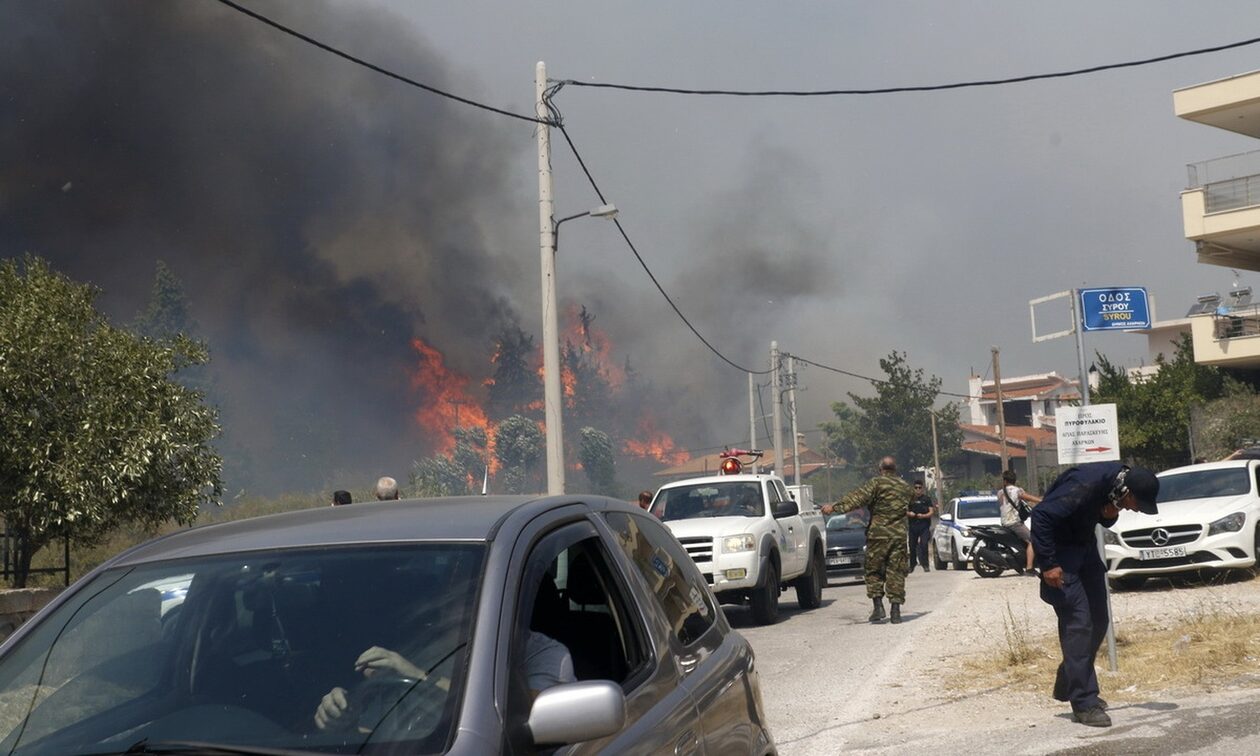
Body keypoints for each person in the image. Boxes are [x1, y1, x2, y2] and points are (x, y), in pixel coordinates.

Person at [1030, 462, 1159, 728]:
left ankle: (1071, 672)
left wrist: (1110, 514)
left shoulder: (1115, 485)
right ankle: (1084, 703)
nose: (1136, 509)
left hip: (1084, 550)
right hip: (1061, 555)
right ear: (1127, 490)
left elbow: (1099, 515)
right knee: (1078, 625)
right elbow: (1041, 516)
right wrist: (1049, 564)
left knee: (1099, 620)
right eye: (1136, 503)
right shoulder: (1084, 485)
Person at [313, 631, 574, 731]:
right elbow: (372, 734)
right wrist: (341, 717)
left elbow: (518, 718)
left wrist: (417, 676)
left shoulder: (545, 653)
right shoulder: (416, 648)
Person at [821, 456, 913, 624]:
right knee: (896, 572)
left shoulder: (876, 483)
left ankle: (878, 608)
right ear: (895, 469)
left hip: (877, 535)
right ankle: (896, 611)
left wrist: (833, 508)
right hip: (898, 535)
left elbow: (856, 499)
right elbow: (911, 504)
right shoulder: (906, 487)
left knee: (873, 571)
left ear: (881, 469)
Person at [998, 469, 1042, 573]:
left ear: (1005, 481)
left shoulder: (1000, 492)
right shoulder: (1017, 491)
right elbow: (1027, 498)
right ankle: (1030, 567)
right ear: (1015, 480)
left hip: (1004, 522)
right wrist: (1041, 501)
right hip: (1014, 522)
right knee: (1033, 540)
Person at [906, 481, 936, 573]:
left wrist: (923, 516)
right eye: (916, 487)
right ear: (913, 488)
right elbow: (904, 510)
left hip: (924, 525)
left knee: (924, 545)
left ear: (922, 489)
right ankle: (912, 564)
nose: (918, 489)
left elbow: (931, 512)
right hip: (913, 525)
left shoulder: (926, 499)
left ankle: (925, 564)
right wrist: (909, 514)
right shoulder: (910, 499)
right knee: (912, 546)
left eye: (919, 487)